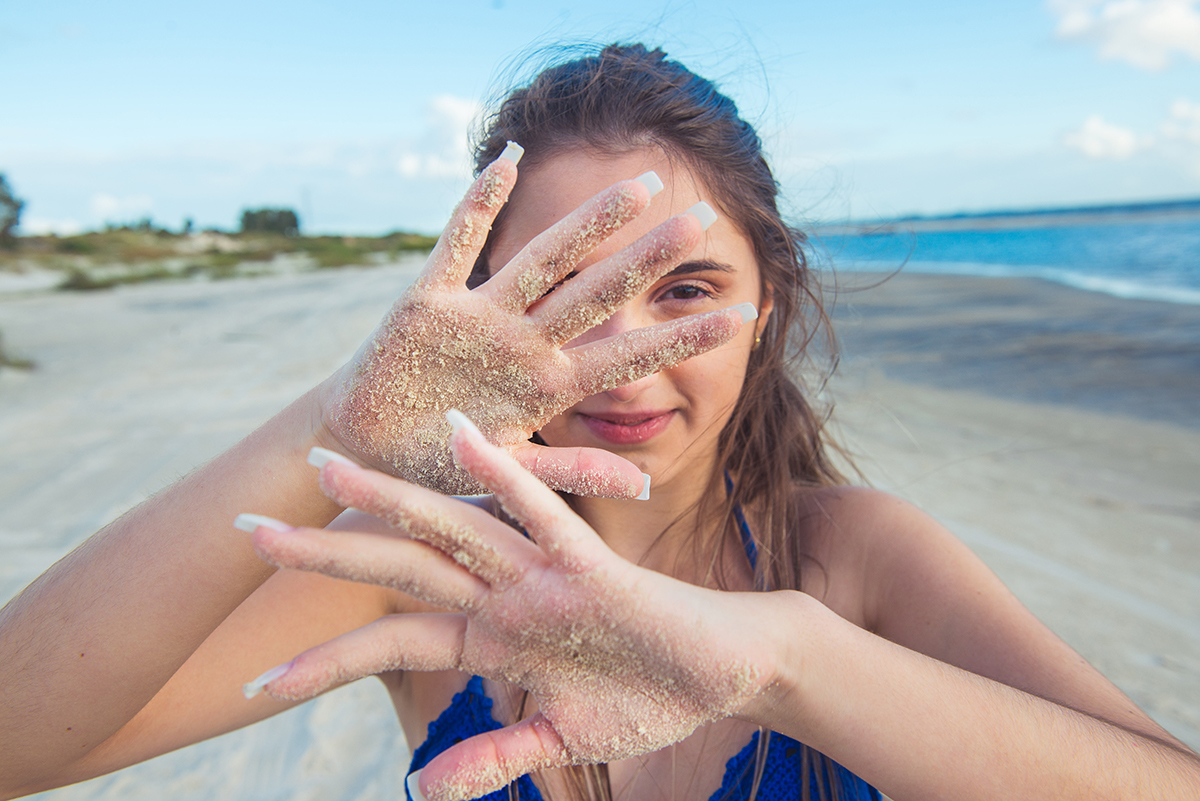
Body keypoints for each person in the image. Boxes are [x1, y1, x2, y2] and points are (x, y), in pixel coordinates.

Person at [1, 43, 1197, 801]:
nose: (624, 363)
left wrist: (786, 662)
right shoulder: (419, 570)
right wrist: (330, 424)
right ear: (473, 315)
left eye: (686, 291)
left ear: (766, 306)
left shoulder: (855, 560)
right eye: (564, 299)